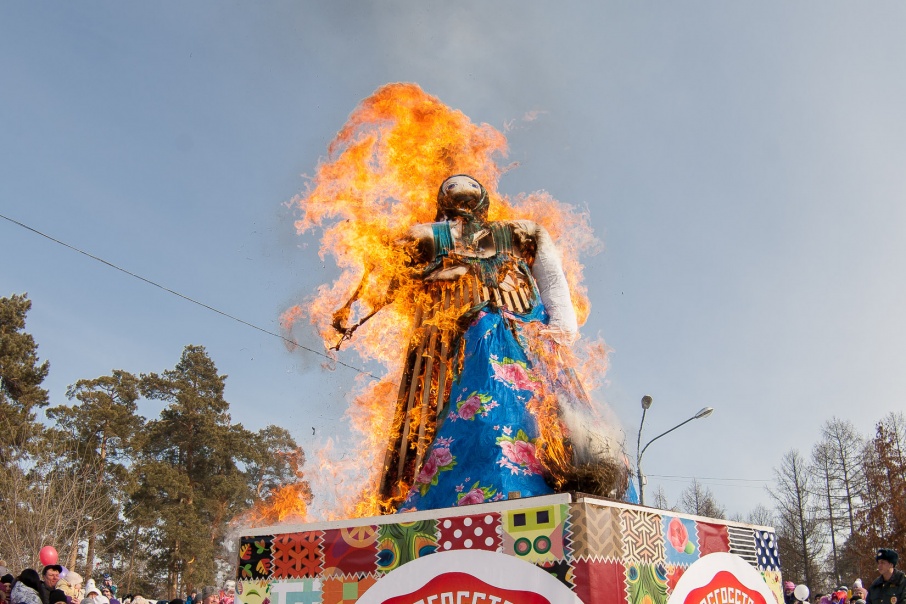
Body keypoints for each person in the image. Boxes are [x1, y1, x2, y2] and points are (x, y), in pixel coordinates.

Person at [335, 174, 626, 511]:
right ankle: (431, 500)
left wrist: (561, 323)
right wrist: (354, 311)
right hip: (446, 342)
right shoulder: (428, 235)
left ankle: (531, 488)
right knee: (455, 415)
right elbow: (388, 273)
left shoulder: (519, 231)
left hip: (520, 334)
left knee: (537, 415)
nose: (463, 198)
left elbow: (550, 272)